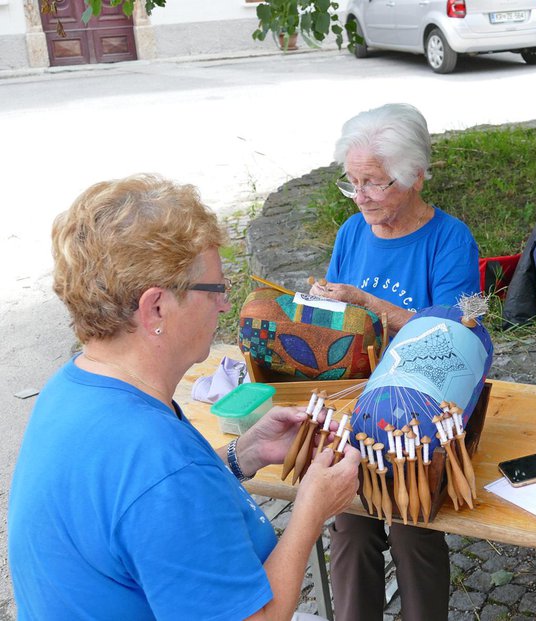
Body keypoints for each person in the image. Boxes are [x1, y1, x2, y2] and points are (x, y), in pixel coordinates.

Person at [8, 174, 361, 620]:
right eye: (215, 289)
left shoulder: (71, 385)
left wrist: (241, 454)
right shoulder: (158, 460)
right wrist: (312, 507)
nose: (223, 305)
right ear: (155, 307)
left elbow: (144, 504)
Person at [309, 103, 480, 620]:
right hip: (359, 399)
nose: (359, 196)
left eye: (374, 183)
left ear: (415, 177)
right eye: (352, 182)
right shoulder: (352, 233)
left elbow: (458, 334)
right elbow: (337, 328)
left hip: (426, 409)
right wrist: (319, 308)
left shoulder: (451, 240)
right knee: (351, 524)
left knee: (411, 525)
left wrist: (368, 303)